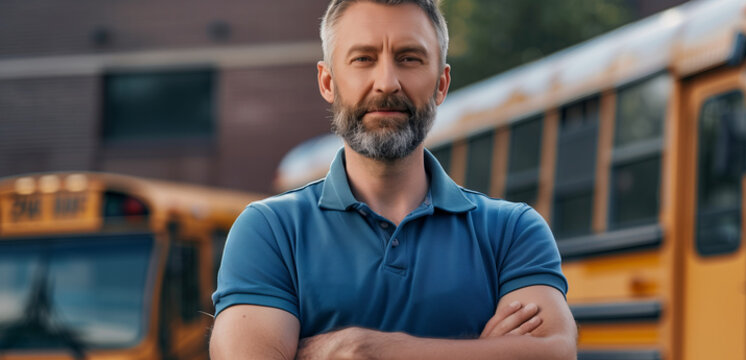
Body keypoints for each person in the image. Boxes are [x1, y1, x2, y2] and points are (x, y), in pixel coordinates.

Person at [208, 0, 576, 359]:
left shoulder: (513, 231)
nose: (387, 83)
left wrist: (366, 350)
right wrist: (482, 350)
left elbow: (554, 353)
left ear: (442, 83)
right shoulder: (269, 230)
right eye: (363, 59)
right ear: (327, 82)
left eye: (409, 58)